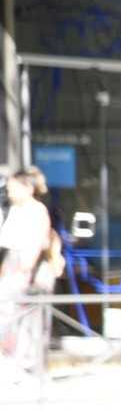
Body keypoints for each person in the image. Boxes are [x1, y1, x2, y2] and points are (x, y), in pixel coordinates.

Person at [0, 166, 60, 387]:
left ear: (27, 188)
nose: (9, 193)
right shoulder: (15, 210)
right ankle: (15, 364)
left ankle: (31, 368)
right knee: (9, 316)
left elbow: (36, 243)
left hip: (29, 270)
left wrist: (25, 271)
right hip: (13, 266)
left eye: (13, 188)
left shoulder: (37, 210)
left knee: (32, 320)